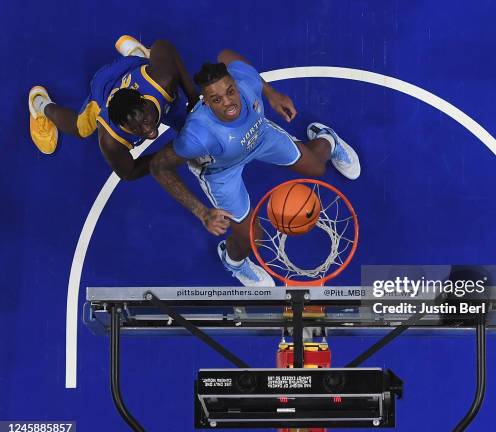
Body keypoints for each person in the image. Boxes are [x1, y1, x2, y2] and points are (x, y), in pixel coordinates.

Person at [150, 49, 360, 287]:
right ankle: (233, 261)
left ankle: (328, 139)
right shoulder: (197, 136)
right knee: (251, 239)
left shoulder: (246, 81)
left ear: (236, 85)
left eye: (230, 92)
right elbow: (159, 167)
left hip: (260, 137)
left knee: (317, 169)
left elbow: (226, 55)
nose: (228, 102)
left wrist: (271, 93)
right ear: (206, 103)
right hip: (221, 172)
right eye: (217, 100)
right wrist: (201, 212)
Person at [28, 36, 198, 180]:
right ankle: (40, 105)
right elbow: (128, 172)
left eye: (145, 121)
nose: (150, 132)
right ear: (121, 126)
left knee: (187, 121)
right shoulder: (110, 139)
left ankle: (137, 55)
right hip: (104, 84)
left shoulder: (162, 80)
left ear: (145, 103)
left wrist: (193, 98)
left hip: (134, 67)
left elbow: (163, 46)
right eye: (136, 129)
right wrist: (173, 154)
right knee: (80, 128)